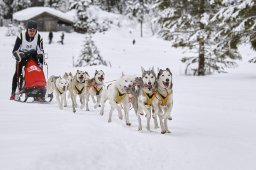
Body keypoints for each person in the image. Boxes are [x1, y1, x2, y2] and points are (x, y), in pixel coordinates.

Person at [10, 20, 44, 100]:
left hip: (33, 56)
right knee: (17, 74)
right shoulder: (21, 36)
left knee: (37, 71)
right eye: (30, 30)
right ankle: (13, 92)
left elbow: (41, 50)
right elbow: (15, 50)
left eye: (34, 31)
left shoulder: (39, 37)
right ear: (27, 29)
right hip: (22, 56)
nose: (32, 32)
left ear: (36, 30)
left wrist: (40, 56)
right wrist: (18, 55)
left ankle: (39, 90)